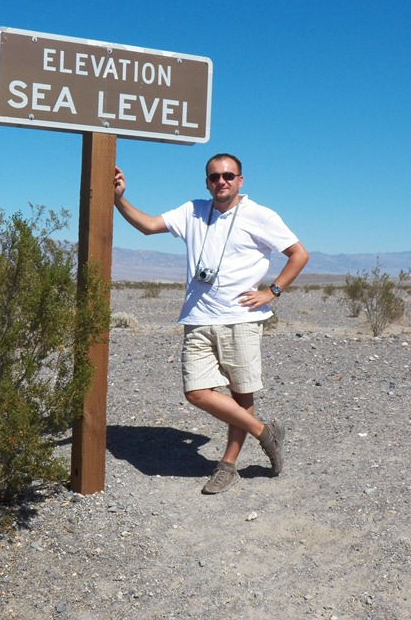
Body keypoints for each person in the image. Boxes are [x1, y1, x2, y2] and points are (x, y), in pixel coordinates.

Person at [113, 154, 309, 494]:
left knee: (241, 394)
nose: (222, 181)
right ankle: (265, 433)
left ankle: (228, 465)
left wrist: (272, 291)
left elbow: (299, 254)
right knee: (196, 392)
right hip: (198, 318)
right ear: (207, 182)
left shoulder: (260, 215)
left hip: (240, 319)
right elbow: (148, 225)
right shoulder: (192, 211)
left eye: (229, 175)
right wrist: (119, 199)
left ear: (240, 180)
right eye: (215, 176)